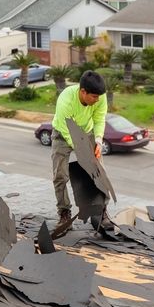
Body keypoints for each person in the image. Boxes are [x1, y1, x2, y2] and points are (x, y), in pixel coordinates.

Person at [50, 69, 107, 224]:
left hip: (87, 133)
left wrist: (99, 140)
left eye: (99, 97)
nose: (97, 100)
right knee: (60, 175)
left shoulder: (99, 96)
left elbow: (100, 118)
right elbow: (66, 131)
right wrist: (81, 151)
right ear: (83, 92)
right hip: (63, 135)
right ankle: (64, 212)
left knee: (98, 172)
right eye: (94, 97)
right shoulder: (66, 101)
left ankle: (101, 212)